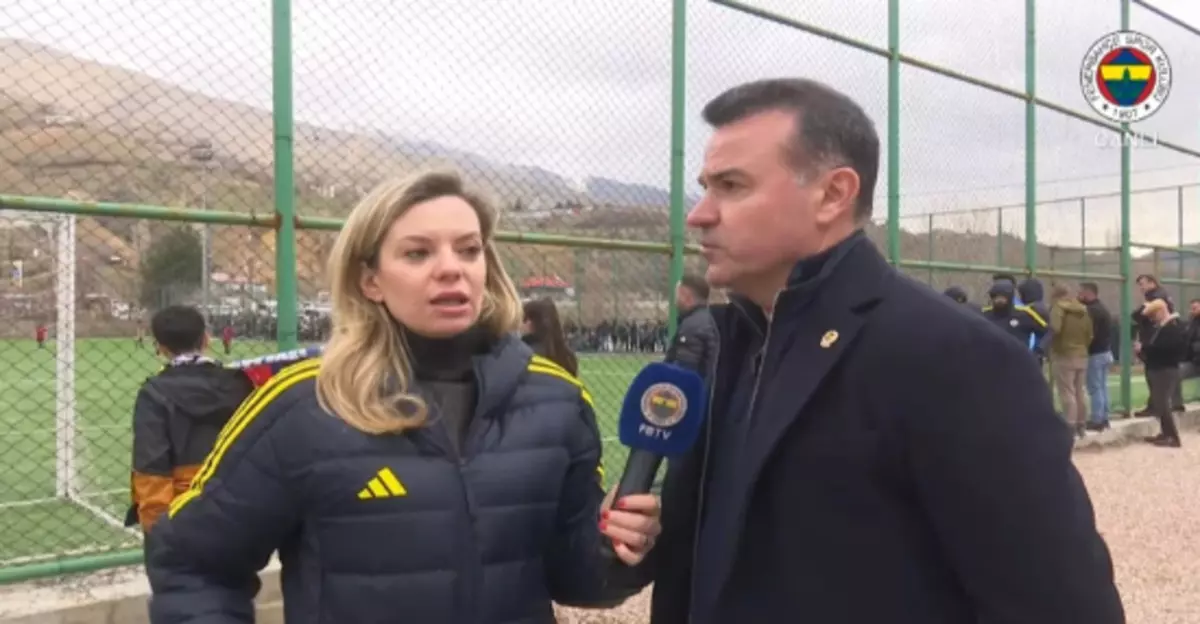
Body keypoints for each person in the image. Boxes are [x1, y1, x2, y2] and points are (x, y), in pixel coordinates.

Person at [609, 78, 1123, 624]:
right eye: (705, 187)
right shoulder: (719, 347)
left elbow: (1062, 607)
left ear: (833, 194)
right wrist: (642, 538)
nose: (699, 214)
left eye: (731, 186)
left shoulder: (956, 358)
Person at [145, 169, 661, 623]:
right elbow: (194, 564)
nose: (451, 268)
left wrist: (621, 548)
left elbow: (576, 579)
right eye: (418, 252)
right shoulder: (303, 404)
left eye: (469, 249)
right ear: (370, 280)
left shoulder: (556, 399)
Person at [125, 305, 255, 532]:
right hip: (241, 502)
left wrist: (158, 530)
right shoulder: (240, 382)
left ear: (160, 347)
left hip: (185, 509)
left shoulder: (155, 393)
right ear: (206, 339)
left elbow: (151, 464)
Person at [1138, 298, 1185, 448]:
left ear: (1161, 311)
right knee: (1159, 403)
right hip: (1160, 367)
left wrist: (1145, 349)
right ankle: (1166, 433)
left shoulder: (1172, 327)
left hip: (1165, 369)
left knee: (1163, 403)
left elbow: (1167, 348)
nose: (1152, 319)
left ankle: (1172, 436)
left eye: (1153, 315)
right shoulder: (1163, 327)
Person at [1132, 274, 1182, 415]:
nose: (1141, 288)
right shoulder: (1159, 295)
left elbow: (1138, 315)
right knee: (1163, 373)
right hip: (1155, 338)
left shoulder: (1157, 297)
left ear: (1152, 283)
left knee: (1155, 373)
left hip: (1154, 338)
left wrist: (1142, 314)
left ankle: (1156, 406)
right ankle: (1165, 404)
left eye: (1143, 284)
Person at [1048, 284, 1093, 439]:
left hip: (1064, 354)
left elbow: (1055, 329)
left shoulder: (1058, 309)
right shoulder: (1083, 310)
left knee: (1067, 391)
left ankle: (1069, 425)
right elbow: (1090, 334)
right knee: (1080, 390)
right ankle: (1082, 424)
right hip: (1082, 353)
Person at [664, 273, 718, 380]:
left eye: (678, 295)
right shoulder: (710, 319)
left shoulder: (692, 326)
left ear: (686, 297)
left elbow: (684, 371)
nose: (675, 301)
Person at [1078, 282, 1114, 431]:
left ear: (1089, 292)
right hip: (1106, 352)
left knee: (1095, 388)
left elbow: (1090, 334)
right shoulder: (1102, 308)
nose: (1079, 295)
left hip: (1096, 354)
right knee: (1103, 387)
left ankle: (1097, 419)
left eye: (1081, 292)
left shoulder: (1091, 311)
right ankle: (1104, 417)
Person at [521, 297, 579, 375]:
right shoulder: (568, 357)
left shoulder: (525, 354)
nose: (520, 325)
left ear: (530, 322)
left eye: (523, 320)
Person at [981, 280, 1047, 347]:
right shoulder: (984, 314)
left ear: (1009, 297)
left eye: (1002, 297)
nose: (999, 300)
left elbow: (1047, 331)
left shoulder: (1025, 314)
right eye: (996, 296)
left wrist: (1040, 349)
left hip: (1018, 352)